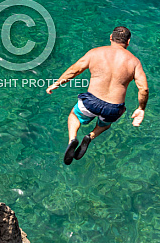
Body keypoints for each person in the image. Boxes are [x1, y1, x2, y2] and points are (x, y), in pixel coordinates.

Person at [46, 25, 149, 164]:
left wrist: (57, 83)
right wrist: (141, 108)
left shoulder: (95, 53)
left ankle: (72, 139)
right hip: (114, 108)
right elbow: (144, 89)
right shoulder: (134, 62)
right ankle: (90, 136)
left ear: (111, 37)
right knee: (105, 124)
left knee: (74, 115)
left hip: (91, 102)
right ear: (128, 42)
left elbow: (74, 70)